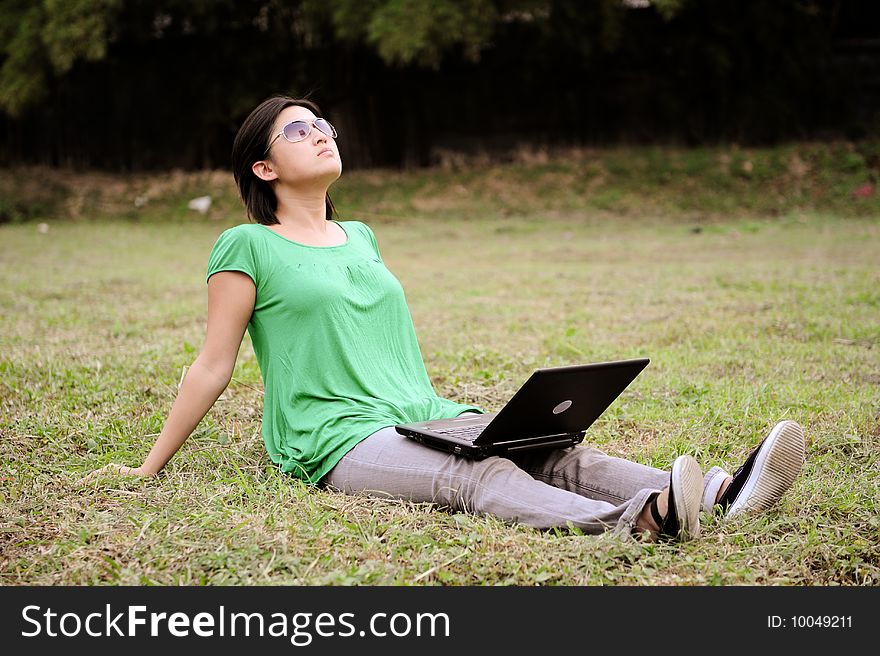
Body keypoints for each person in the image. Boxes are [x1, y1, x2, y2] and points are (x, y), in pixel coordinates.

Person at [81, 95, 807, 542]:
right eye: (299, 130)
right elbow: (213, 364)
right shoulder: (245, 245)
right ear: (263, 168)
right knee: (482, 477)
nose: (321, 133)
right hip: (333, 436)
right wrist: (147, 469)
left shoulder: (358, 235)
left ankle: (721, 493)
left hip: (419, 411)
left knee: (550, 451)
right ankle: (644, 520)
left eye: (324, 124)